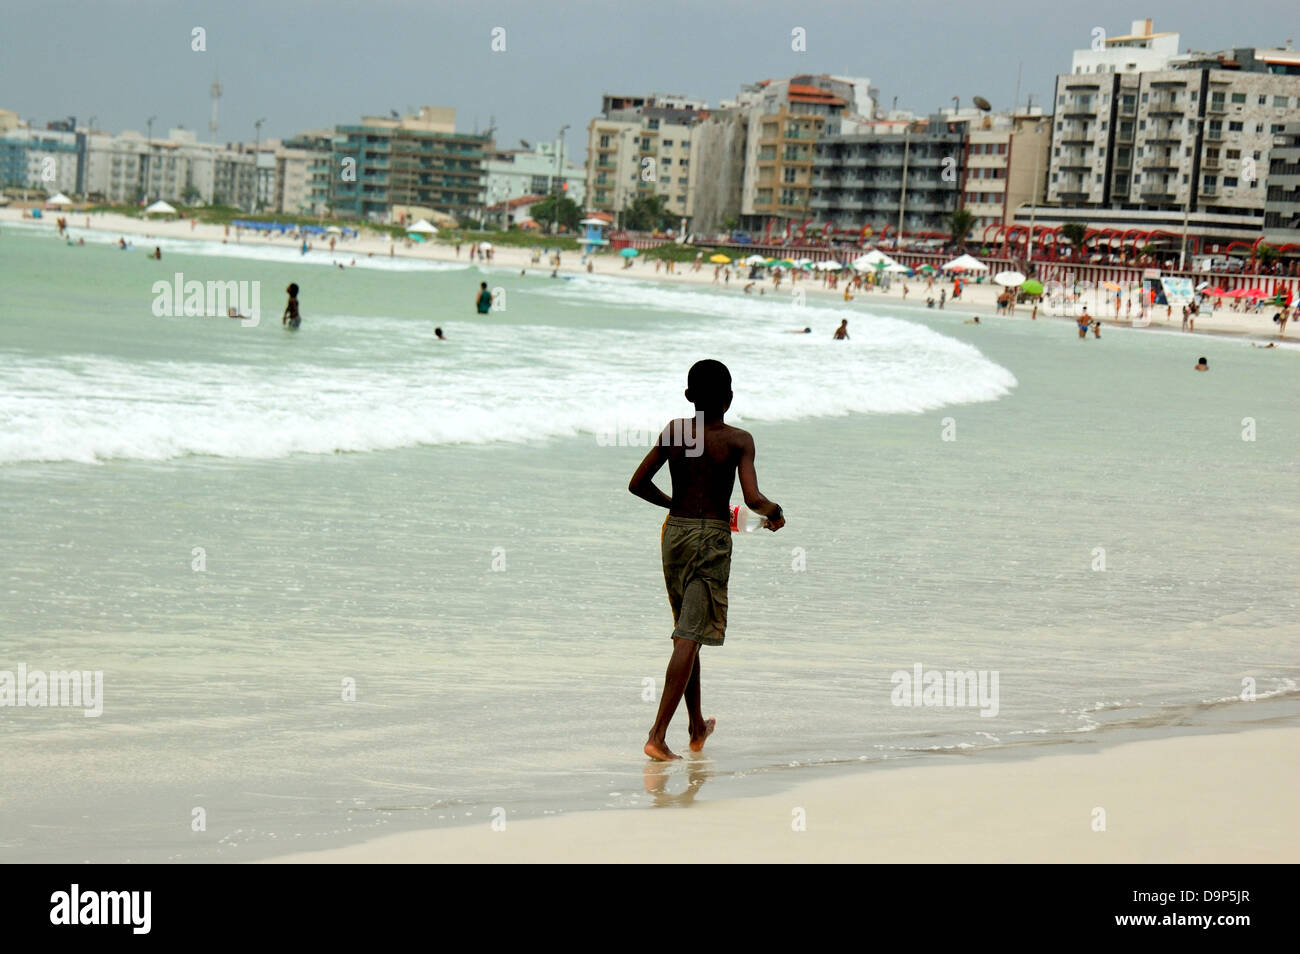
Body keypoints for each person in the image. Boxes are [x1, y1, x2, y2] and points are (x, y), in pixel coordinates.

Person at [627, 359, 784, 761]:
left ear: (688, 396)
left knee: (687, 630)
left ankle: (696, 726)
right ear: (729, 399)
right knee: (689, 634)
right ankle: (657, 736)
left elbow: (638, 484)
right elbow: (753, 499)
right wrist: (775, 511)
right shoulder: (738, 440)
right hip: (710, 539)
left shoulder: (675, 431)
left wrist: (674, 503)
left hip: (674, 533)